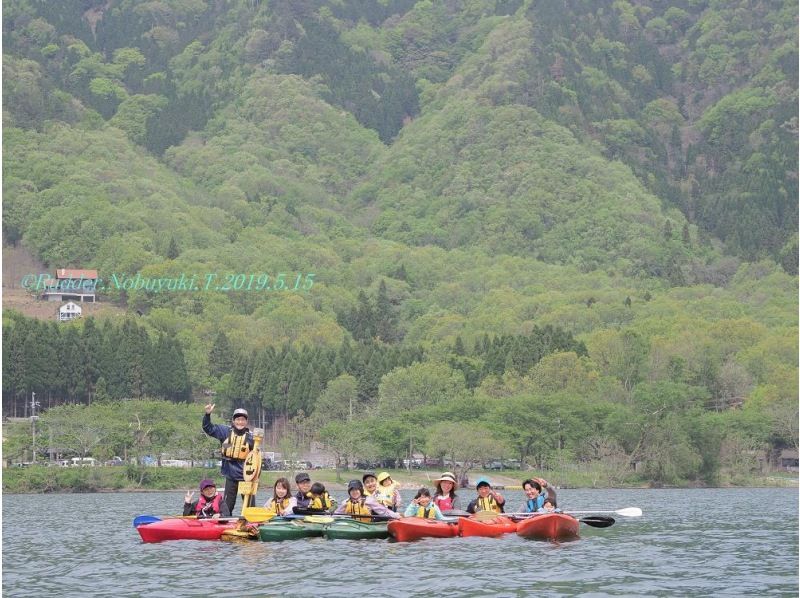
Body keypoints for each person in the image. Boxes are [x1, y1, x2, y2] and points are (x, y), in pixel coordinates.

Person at [202, 403, 255, 515]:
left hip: (247, 476)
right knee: (227, 506)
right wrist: (207, 414)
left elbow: (256, 459)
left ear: (246, 422)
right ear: (233, 420)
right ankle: (224, 522)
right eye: (238, 419)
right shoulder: (225, 431)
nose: (240, 422)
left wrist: (255, 476)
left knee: (249, 506)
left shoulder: (252, 437)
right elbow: (208, 428)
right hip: (230, 474)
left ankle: (251, 524)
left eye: (243, 420)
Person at [335, 480, 401, 521]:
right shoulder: (345, 502)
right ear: (349, 492)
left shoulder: (368, 500)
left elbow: (383, 511)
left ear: (360, 490)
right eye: (352, 490)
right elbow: (336, 514)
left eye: (356, 490)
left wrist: (395, 515)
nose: (354, 492)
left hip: (367, 525)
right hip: (351, 525)